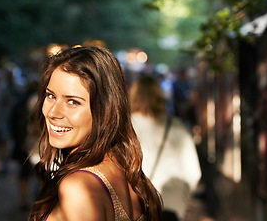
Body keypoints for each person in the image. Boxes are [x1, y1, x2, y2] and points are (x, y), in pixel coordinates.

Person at [28, 46, 162, 221]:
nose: (53, 112)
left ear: (104, 109)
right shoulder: (125, 169)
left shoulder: (78, 187)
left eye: (73, 102)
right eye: (50, 95)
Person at [129, 75, 202, 221]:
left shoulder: (125, 127)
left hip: (133, 205)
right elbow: (193, 173)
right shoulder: (176, 126)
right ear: (159, 96)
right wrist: (180, 200)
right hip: (170, 206)